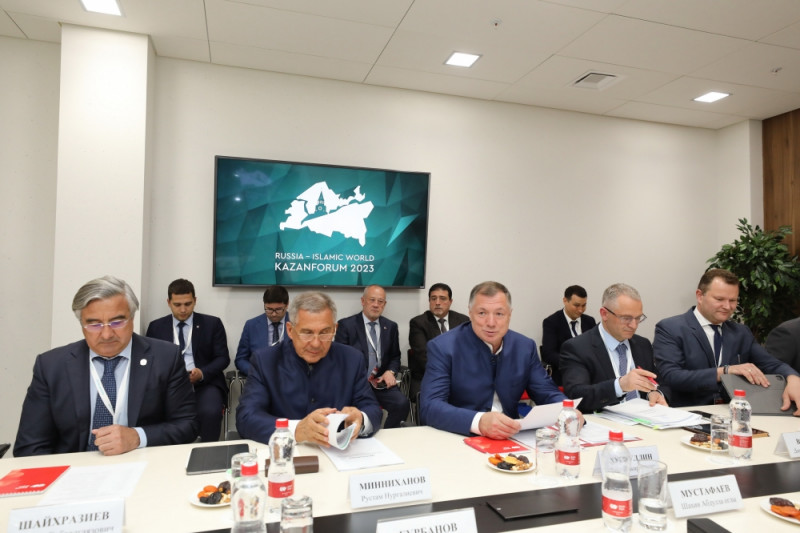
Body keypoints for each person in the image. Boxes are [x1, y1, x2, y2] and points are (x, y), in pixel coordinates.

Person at [14, 276, 197, 457]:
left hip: (142, 464)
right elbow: (30, 446)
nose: (107, 334)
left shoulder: (165, 358)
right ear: (81, 324)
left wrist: (138, 437)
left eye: (117, 322)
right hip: (74, 469)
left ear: (132, 318)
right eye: (94, 324)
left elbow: (188, 425)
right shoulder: (51, 366)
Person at [420, 281, 577, 438]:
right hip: (460, 435)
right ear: (470, 313)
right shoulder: (443, 347)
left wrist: (567, 412)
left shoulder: (524, 347)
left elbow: (547, 392)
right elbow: (430, 406)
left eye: (499, 314)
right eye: (482, 313)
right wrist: (479, 421)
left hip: (511, 435)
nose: (491, 323)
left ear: (509, 314)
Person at [236, 291, 382, 445]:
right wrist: (296, 430)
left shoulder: (352, 359)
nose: (316, 343)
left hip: (337, 451)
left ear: (335, 329)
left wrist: (361, 418)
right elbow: (246, 417)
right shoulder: (265, 361)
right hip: (286, 452)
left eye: (325, 333)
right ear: (290, 330)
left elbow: (372, 408)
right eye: (307, 333)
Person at [654, 268, 800, 412]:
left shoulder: (741, 332)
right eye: (719, 299)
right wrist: (725, 371)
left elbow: (771, 364)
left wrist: (793, 377)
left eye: (733, 300)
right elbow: (672, 377)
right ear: (700, 296)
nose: (727, 306)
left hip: (732, 413)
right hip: (688, 412)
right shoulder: (671, 328)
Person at [560, 283, 667, 413]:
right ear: (604, 314)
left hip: (645, 418)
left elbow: (661, 382)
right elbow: (577, 395)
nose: (634, 325)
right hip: (604, 421)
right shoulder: (578, 348)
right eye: (626, 318)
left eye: (638, 318)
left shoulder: (642, 344)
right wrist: (620, 386)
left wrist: (655, 393)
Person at [145, 278, 230, 442]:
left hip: (204, 384)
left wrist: (202, 373)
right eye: (177, 305)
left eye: (188, 304)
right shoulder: (156, 327)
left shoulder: (212, 324)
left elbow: (222, 358)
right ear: (168, 302)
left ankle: (206, 452)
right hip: (169, 385)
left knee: (210, 411)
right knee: (156, 413)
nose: (183, 309)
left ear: (195, 301)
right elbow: (150, 361)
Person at [335, 285, 410, 428]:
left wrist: (390, 371)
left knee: (401, 404)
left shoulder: (391, 326)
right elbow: (339, 360)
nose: (376, 305)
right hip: (355, 383)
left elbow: (395, 356)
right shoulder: (346, 325)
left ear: (384, 304)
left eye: (380, 301)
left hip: (379, 382)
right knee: (350, 409)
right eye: (372, 300)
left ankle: (387, 436)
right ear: (363, 301)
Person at [408, 282, 469, 399]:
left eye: (442, 298)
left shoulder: (463, 321)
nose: (437, 302)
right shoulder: (418, 323)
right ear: (429, 301)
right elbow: (423, 356)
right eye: (433, 298)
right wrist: (447, 375)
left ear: (450, 301)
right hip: (428, 375)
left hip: (459, 375)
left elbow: (468, 351)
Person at [540, 285, 597, 385]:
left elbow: (596, 348)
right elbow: (549, 354)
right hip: (565, 373)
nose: (580, 310)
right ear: (565, 301)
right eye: (576, 305)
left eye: (584, 305)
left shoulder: (589, 321)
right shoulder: (551, 322)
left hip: (590, 373)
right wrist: (573, 363)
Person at [234, 285, 289, 377]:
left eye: (278, 309)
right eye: (269, 309)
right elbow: (240, 360)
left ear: (287, 305)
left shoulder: (298, 324)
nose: (274, 314)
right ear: (264, 305)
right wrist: (256, 373)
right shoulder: (251, 326)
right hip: (260, 379)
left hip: (290, 378)